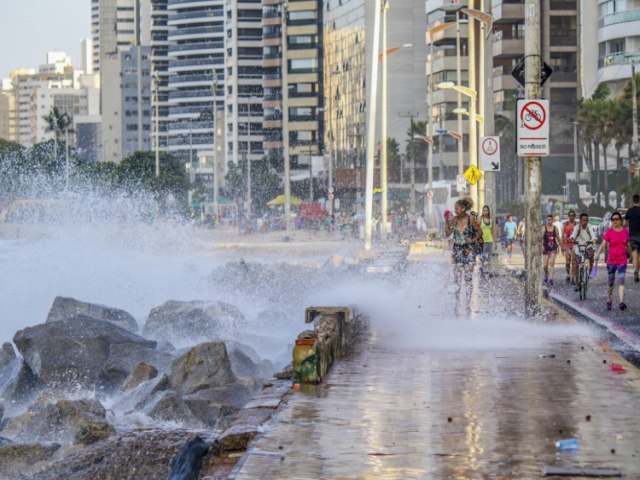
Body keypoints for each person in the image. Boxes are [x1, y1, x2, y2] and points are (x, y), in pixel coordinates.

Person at [444, 197, 482, 314]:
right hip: (457, 250)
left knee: (468, 277)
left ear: (463, 208)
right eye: (455, 208)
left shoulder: (470, 219)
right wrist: (446, 221)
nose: (455, 210)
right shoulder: (454, 220)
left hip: (468, 249)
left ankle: (469, 301)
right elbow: (447, 233)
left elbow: (480, 232)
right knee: (456, 276)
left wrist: (473, 239)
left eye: (457, 208)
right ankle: (456, 301)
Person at [595, 211, 629, 311]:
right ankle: (609, 299)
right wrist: (597, 254)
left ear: (621, 220)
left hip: (622, 260)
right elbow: (603, 244)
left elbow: (628, 245)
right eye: (613, 219)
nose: (614, 221)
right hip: (611, 261)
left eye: (616, 219)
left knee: (621, 281)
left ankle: (621, 302)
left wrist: (631, 256)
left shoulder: (625, 232)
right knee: (611, 282)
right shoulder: (609, 232)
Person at [570, 213, 597, 292]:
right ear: (580, 220)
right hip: (579, 246)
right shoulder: (577, 227)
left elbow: (593, 235)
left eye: (587, 220)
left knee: (591, 257)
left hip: (588, 246)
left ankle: (589, 272)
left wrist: (594, 239)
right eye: (584, 220)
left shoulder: (590, 227)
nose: (585, 222)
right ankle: (577, 282)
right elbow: (573, 235)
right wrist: (572, 239)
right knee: (575, 264)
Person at [624, 194, 640, 283]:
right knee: (639, 257)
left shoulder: (629, 211)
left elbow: (624, 224)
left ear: (633, 201)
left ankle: (636, 271)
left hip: (633, 236)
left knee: (634, 256)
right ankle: (637, 270)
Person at [542, 214, 560, 285]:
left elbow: (558, 238)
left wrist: (562, 247)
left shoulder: (555, 228)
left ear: (552, 220)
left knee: (552, 263)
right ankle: (546, 275)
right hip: (546, 248)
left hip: (553, 248)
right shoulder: (543, 228)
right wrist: (541, 246)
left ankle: (550, 278)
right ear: (546, 220)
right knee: (545, 265)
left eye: (550, 220)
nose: (549, 221)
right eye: (548, 220)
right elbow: (540, 238)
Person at [479, 205, 497, 277]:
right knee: (482, 257)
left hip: (489, 241)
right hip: (482, 241)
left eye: (486, 210)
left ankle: (488, 272)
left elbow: (493, 232)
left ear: (488, 211)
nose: (485, 212)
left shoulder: (491, 220)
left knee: (488, 258)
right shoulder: (480, 219)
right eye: (484, 210)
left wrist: (495, 242)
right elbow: (477, 230)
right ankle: (482, 271)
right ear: (482, 211)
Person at [562, 210, 577, 284]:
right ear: (568, 216)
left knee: (574, 261)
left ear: (574, 216)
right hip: (567, 244)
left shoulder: (577, 224)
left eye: (572, 215)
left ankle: (573, 277)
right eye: (570, 215)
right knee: (568, 261)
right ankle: (568, 274)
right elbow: (562, 235)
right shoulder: (565, 224)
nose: (571, 217)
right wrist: (562, 246)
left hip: (574, 244)